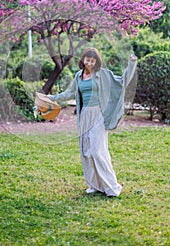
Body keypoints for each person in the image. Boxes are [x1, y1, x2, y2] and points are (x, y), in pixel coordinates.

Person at [49, 47, 137, 197]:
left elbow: (121, 82)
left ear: (96, 62)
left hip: (99, 114)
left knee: (97, 151)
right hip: (84, 116)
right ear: (83, 60)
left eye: (92, 60)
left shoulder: (102, 74)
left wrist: (131, 64)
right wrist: (52, 98)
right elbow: (69, 93)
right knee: (86, 152)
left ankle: (112, 187)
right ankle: (94, 184)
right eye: (87, 60)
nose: (89, 63)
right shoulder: (78, 76)